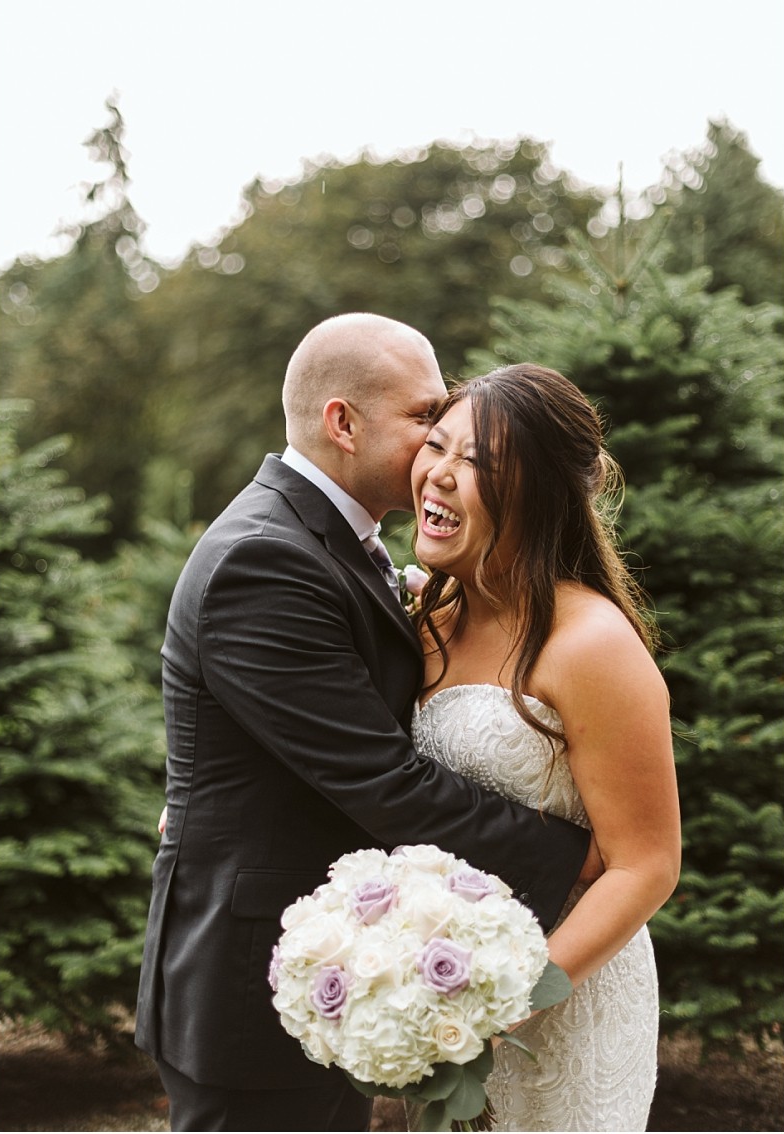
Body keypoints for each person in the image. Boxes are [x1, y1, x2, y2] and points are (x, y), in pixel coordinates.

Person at [134, 315, 596, 1133]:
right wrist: (579, 855)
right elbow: (386, 782)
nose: (437, 447)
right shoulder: (265, 559)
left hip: (326, 966)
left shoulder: (337, 545)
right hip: (254, 988)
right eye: (425, 419)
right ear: (343, 422)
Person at [407, 362, 681, 1132]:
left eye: (480, 464)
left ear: (542, 493)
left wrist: (510, 1003)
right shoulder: (423, 616)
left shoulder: (592, 645)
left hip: (564, 999)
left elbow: (646, 864)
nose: (442, 476)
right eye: (438, 446)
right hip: (434, 988)